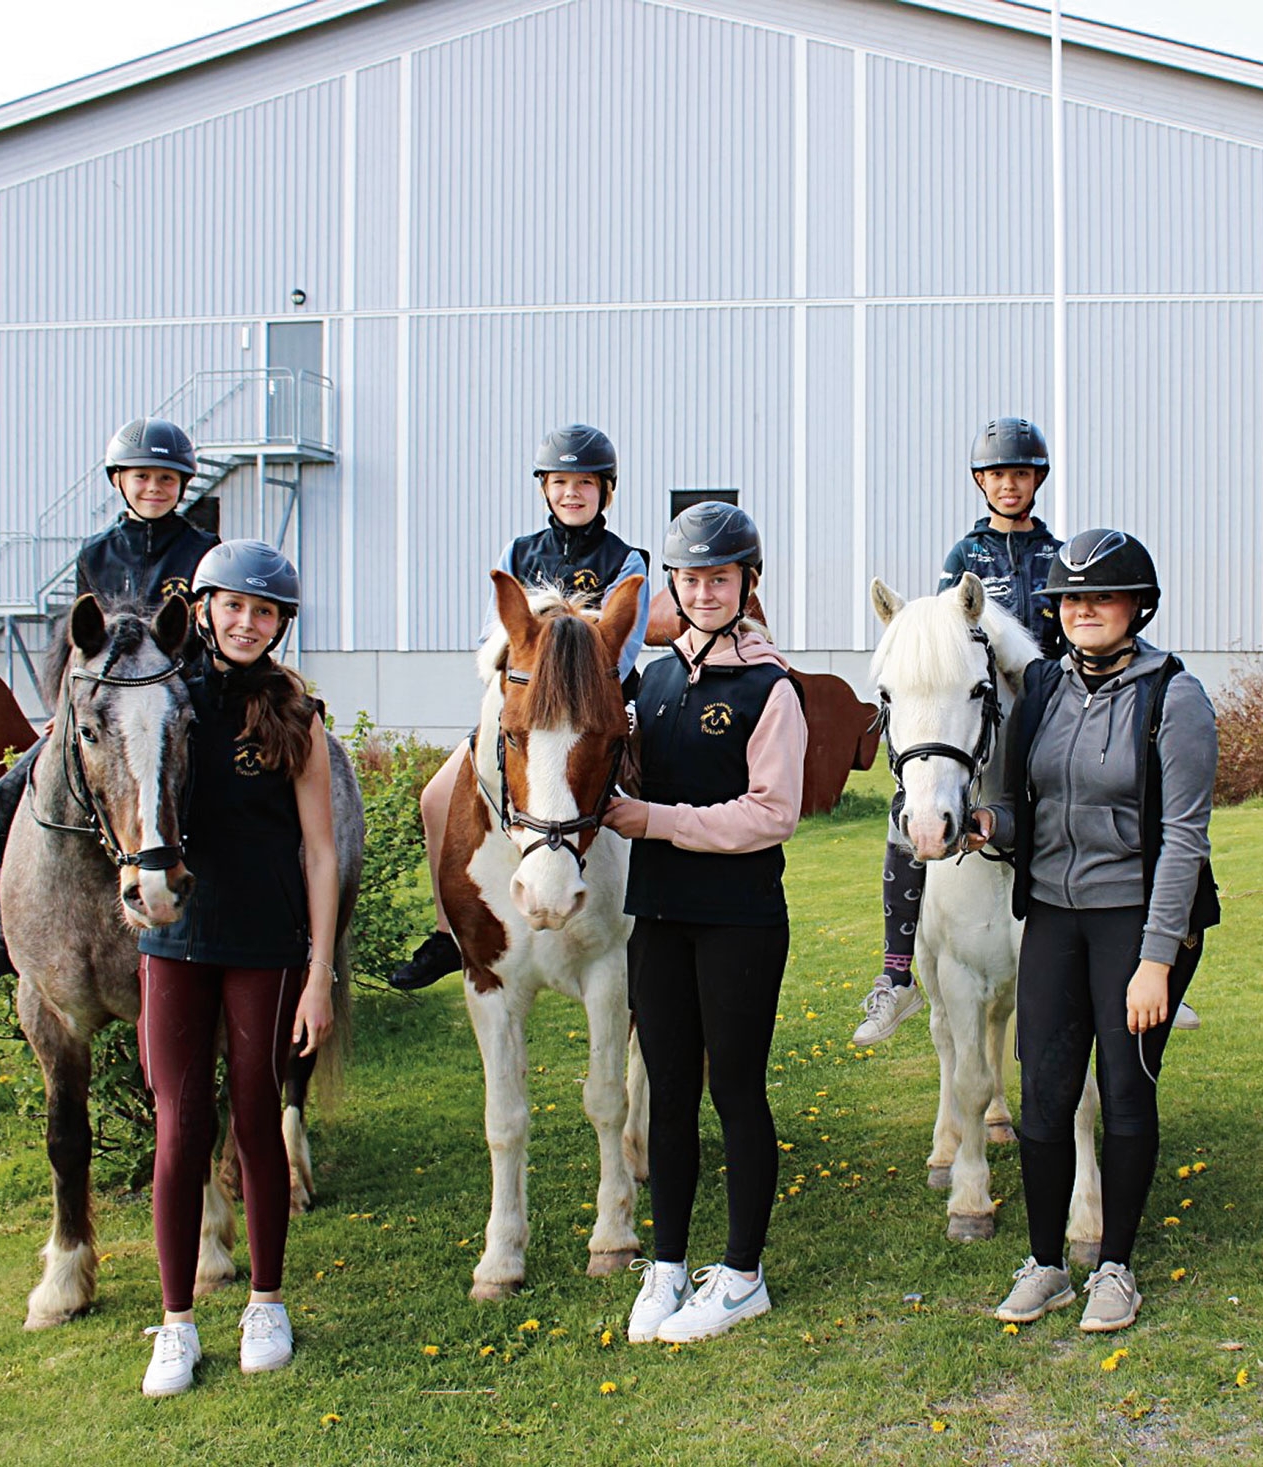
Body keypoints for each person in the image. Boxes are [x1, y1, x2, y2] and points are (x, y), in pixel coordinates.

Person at [978, 529, 1218, 1334]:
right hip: (1052, 914)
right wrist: (991, 824)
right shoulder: (1044, 689)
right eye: (1071, 599)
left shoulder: (1175, 696)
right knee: (1044, 1093)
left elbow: (1184, 839)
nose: (1084, 610)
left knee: (1124, 1090)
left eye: (1102, 596)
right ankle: (1045, 1263)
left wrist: (1156, 961)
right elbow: (1025, 807)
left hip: (1135, 919)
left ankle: (1114, 1264)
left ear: (1137, 606)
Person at [135, 539, 340, 1396]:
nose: (247, 622)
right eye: (233, 606)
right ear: (205, 608)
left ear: (280, 623)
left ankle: (266, 1302)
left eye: (264, 611)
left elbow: (321, 852)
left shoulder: (296, 712)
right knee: (180, 1128)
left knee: (256, 1117)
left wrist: (321, 972)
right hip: (176, 940)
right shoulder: (163, 697)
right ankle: (176, 1322)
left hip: (267, 944)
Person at [603, 502, 806, 1345]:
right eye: (689, 580)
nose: (704, 592)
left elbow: (772, 812)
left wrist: (654, 819)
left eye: (719, 578)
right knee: (669, 1093)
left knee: (736, 1092)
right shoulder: (652, 681)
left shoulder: (771, 687)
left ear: (747, 583)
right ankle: (669, 1266)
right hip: (658, 917)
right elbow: (629, 776)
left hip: (738, 920)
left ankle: (743, 1275)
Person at [0, 416, 218, 987]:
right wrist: (65, 712)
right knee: (5, 791)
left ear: (183, 486)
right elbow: (76, 646)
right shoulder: (96, 554)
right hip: (106, 710)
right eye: (142, 477)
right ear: (119, 480)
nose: (154, 488)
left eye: (167, 479)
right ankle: (3, 939)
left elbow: (210, 636)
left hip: (176, 705)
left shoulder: (204, 552)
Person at [389, 423, 652, 990]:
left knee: (656, 792)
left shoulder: (627, 561)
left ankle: (653, 921)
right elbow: (495, 641)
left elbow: (623, 651)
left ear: (606, 491)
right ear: (544, 489)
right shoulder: (518, 552)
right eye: (560, 483)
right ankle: (447, 932)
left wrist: (568, 661)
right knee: (435, 798)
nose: (571, 493)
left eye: (585, 483)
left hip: (593, 716)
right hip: (526, 711)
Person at [853, 416, 1066, 1046]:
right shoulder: (964, 556)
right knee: (908, 814)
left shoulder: (1057, 555)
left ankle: (1148, 954)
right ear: (981, 481)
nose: (1009, 485)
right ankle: (897, 974)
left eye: (1020, 474)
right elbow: (948, 638)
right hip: (984, 709)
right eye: (998, 475)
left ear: (1037, 480)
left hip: (1050, 701)